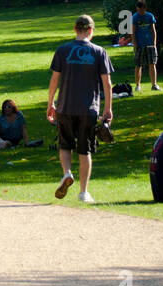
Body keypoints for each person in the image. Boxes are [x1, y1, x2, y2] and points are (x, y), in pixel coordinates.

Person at [47, 14, 114, 204]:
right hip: (88, 109)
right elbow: (107, 83)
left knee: (65, 144)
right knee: (85, 151)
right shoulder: (99, 52)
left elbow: (54, 80)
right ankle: (84, 192)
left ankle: (67, 173)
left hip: (65, 107)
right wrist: (108, 108)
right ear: (91, 31)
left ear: (75, 29)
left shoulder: (62, 50)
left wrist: (51, 103)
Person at [131, 0, 160, 91]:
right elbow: (133, 32)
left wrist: (154, 43)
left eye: (142, 9)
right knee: (138, 65)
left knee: (152, 64)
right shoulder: (135, 17)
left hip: (150, 44)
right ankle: (137, 85)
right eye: (138, 9)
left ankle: (154, 85)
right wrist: (135, 45)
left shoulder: (150, 16)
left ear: (145, 8)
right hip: (139, 45)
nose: (140, 11)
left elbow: (153, 30)